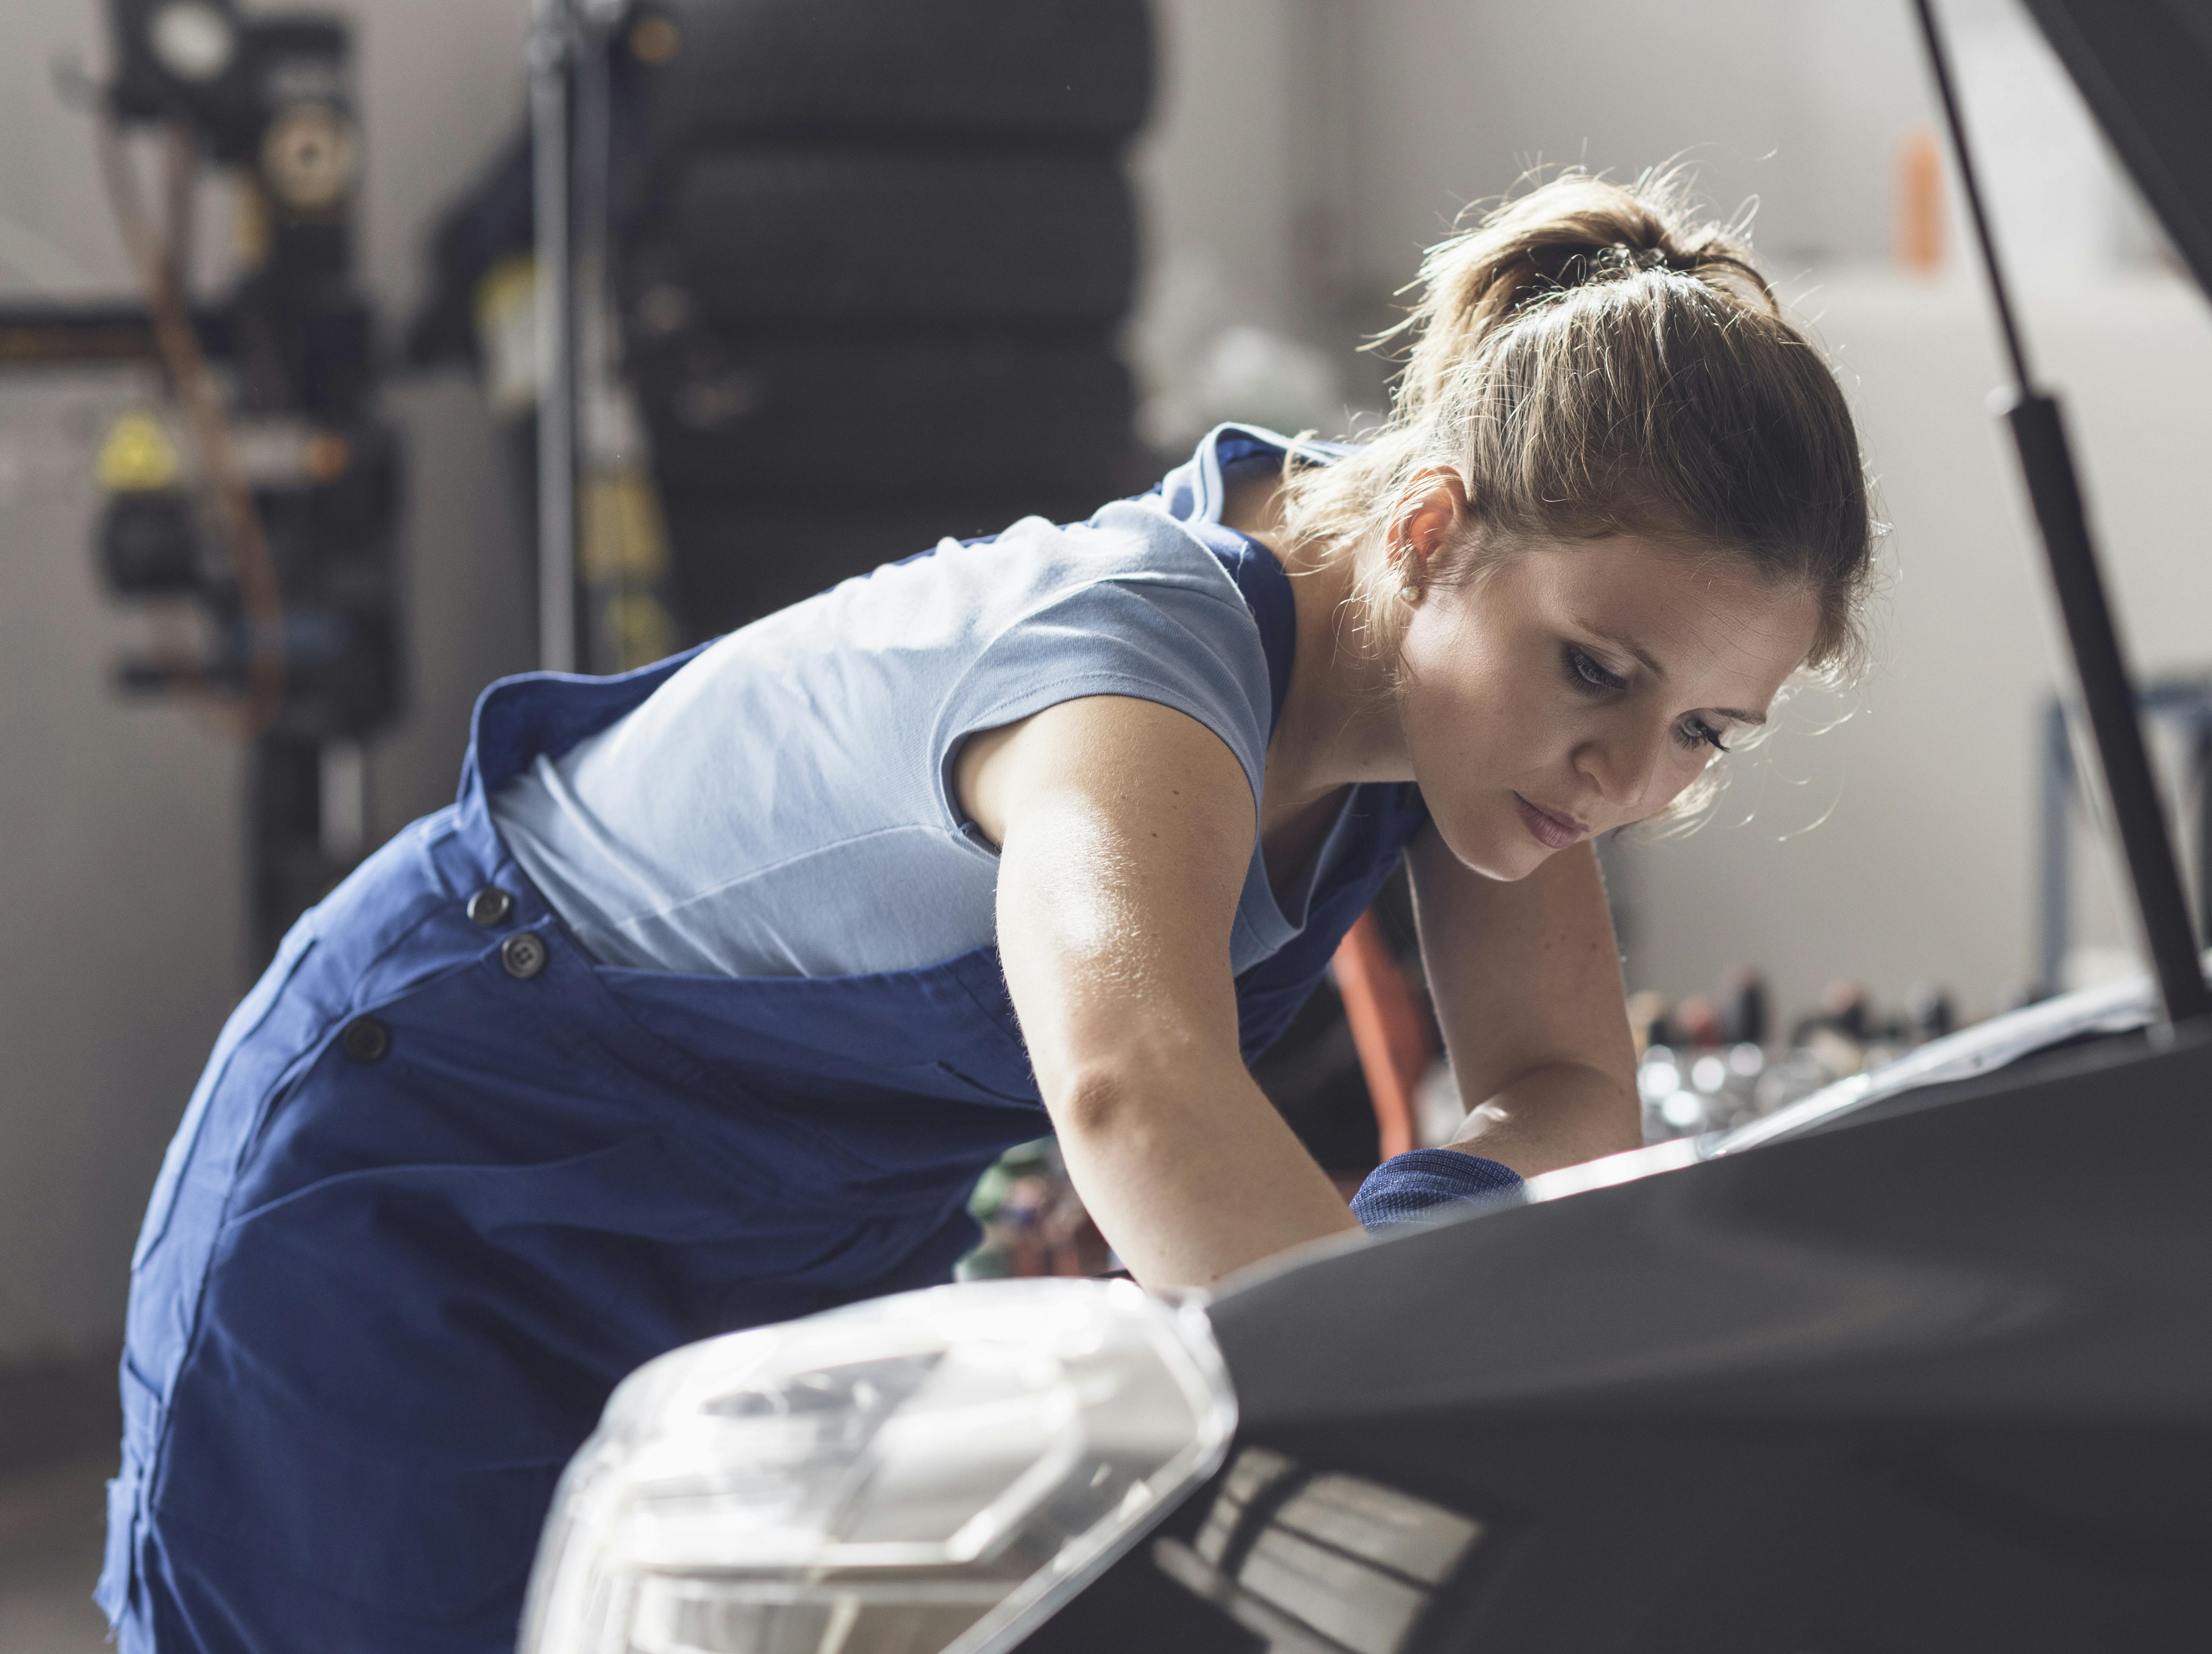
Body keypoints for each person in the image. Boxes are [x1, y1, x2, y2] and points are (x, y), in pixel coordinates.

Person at [97, 167, 1875, 1653]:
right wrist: (1406, 1438)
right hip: (432, 1180)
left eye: (1701, 732)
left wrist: (1402, 1257)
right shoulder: (1139, 668)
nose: (1623, 778)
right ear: (1427, 528)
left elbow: (1567, 1079)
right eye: (1599, 676)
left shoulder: (1481, 718)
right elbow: (1136, 1098)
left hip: (768, 1262)